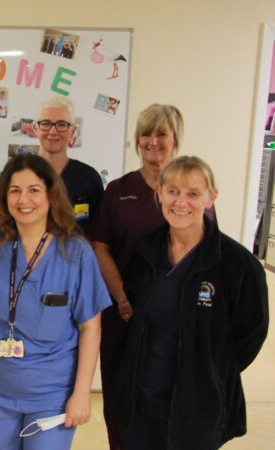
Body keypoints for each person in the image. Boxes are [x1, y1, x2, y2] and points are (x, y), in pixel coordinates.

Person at [112, 156, 268, 450]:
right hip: (143, 401)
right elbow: (135, 319)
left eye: (193, 193)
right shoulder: (145, 251)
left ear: (211, 198)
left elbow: (251, 333)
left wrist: (211, 369)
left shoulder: (237, 265)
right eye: (172, 191)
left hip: (197, 407)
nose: (180, 202)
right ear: (159, 194)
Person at [0, 153, 110, 450]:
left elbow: (90, 328)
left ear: (51, 195)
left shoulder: (75, 253)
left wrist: (82, 393)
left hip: (52, 392)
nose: (23, 199)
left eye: (33, 190)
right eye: (14, 190)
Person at [91, 104, 208, 450]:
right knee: (121, 398)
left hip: (174, 318)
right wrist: (123, 299)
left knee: (166, 398)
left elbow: (206, 250)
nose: (152, 141)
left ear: (176, 140)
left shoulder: (191, 190)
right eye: (146, 133)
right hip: (123, 315)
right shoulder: (118, 190)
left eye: (161, 133)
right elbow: (99, 246)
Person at [34, 96, 103, 234]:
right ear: (36, 128)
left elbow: (99, 234)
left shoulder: (89, 178)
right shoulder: (20, 174)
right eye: (46, 123)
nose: (53, 131)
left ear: (72, 131)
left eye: (61, 125)